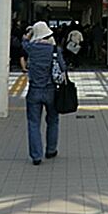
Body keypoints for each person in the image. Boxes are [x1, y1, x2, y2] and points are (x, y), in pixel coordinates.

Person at [22, 21, 63, 166]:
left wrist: (29, 34)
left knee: (33, 123)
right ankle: (51, 150)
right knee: (53, 120)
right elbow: (63, 67)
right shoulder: (54, 49)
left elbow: (24, 42)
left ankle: (36, 156)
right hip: (51, 90)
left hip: (34, 90)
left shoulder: (31, 48)